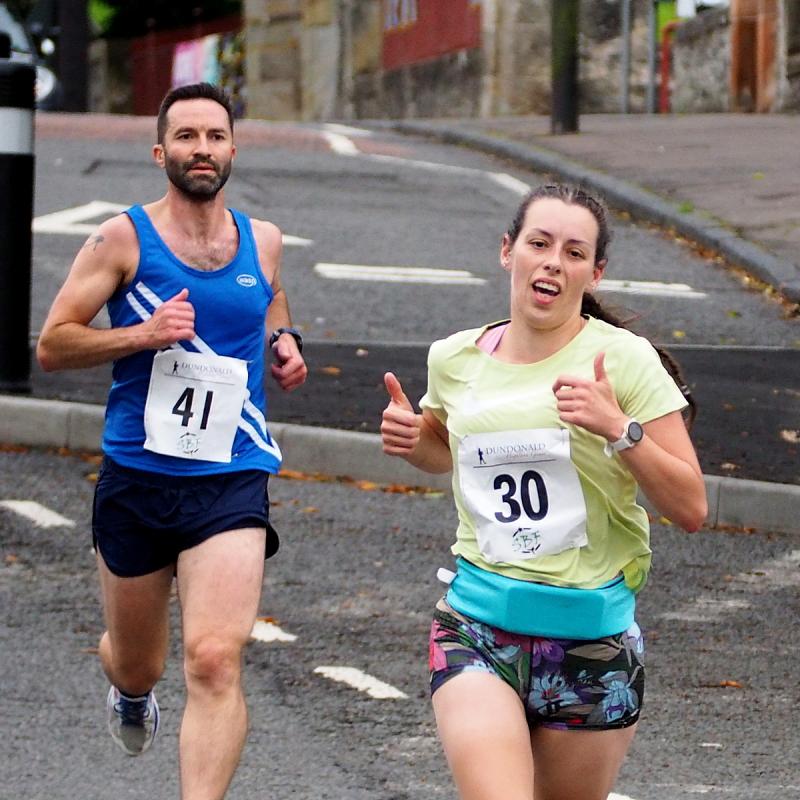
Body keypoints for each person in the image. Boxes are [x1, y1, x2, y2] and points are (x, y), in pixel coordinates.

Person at [380, 183, 707, 800]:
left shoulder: (623, 361)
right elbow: (443, 450)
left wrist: (619, 429)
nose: (554, 262)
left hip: (591, 641)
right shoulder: (453, 358)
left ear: (594, 272)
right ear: (509, 251)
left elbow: (690, 506)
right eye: (540, 243)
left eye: (574, 252)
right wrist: (412, 437)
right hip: (477, 627)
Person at [36, 82, 307, 798]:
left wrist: (282, 339)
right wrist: (142, 334)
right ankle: (129, 690)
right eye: (186, 137)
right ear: (161, 153)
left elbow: (270, 293)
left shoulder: (263, 239)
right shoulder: (121, 239)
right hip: (138, 478)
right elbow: (53, 345)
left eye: (214, 136)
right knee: (140, 664)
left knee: (215, 658)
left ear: (233, 150)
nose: (202, 149)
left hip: (230, 476)